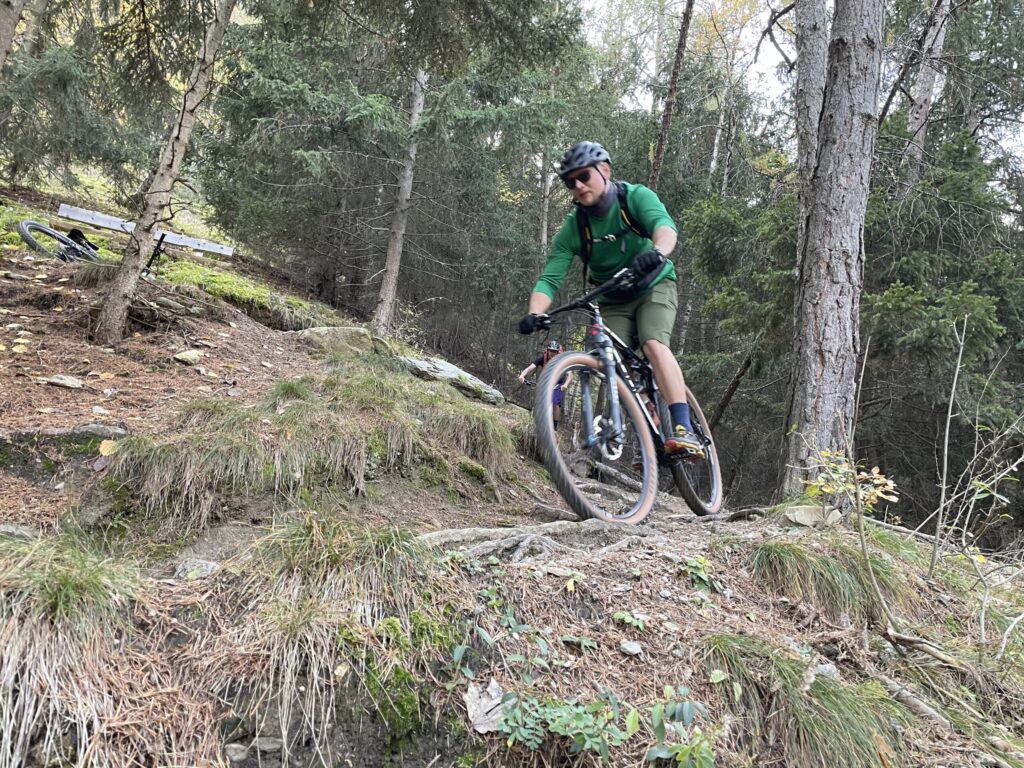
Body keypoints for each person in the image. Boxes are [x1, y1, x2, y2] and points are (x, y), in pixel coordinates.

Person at [516, 140, 703, 456]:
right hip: (612, 298)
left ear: (604, 170)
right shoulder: (575, 228)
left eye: (584, 176)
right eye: (570, 182)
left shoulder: (635, 197)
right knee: (614, 366)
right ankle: (653, 437)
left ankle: (685, 429)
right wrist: (535, 314)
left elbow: (665, 228)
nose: (578, 185)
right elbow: (549, 279)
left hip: (654, 284)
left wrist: (657, 252)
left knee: (652, 344)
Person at [518, 341, 573, 428]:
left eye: (555, 351)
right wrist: (522, 376)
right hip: (547, 381)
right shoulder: (542, 358)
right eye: (551, 351)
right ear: (547, 350)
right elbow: (530, 368)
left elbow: (570, 375)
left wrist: (565, 385)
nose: (552, 353)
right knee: (540, 399)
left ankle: (554, 425)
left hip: (559, 383)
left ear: (558, 352)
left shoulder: (562, 360)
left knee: (555, 402)